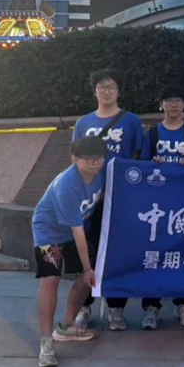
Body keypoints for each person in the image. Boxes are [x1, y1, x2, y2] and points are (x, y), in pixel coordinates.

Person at [72, 68, 143, 332]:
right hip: (89, 198)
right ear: (95, 91)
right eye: (102, 86)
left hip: (119, 198)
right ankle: (84, 306)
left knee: (117, 252)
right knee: (87, 252)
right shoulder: (83, 123)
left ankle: (116, 308)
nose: (107, 91)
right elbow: (75, 158)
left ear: (119, 91)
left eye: (112, 86)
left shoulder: (131, 121)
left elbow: (137, 157)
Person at [32, 136, 108, 367]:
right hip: (49, 231)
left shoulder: (101, 173)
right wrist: (86, 267)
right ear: (75, 158)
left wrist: (87, 270)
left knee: (87, 278)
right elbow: (77, 232)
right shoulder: (67, 186)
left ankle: (66, 325)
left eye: (99, 158)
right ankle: (46, 341)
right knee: (51, 279)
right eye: (89, 158)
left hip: (76, 230)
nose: (95, 163)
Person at [139, 84, 184, 329]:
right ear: (161, 104)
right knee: (153, 255)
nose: (174, 104)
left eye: (178, 100)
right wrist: (153, 163)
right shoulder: (152, 134)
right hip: (157, 207)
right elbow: (142, 168)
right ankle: (151, 307)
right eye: (169, 100)